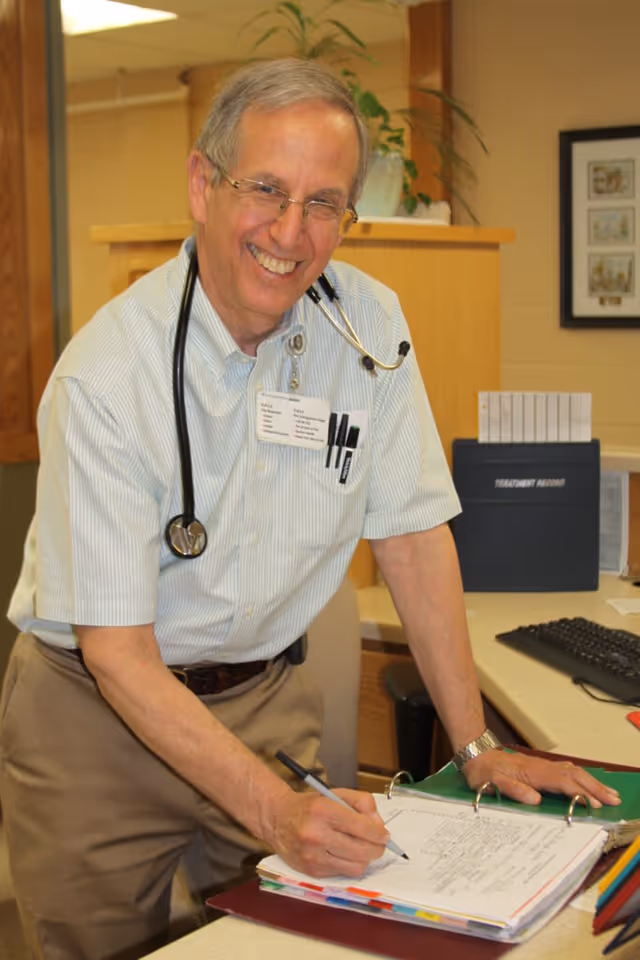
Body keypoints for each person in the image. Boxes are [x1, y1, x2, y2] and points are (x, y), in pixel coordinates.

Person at [0, 58, 619, 960]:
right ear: (202, 184)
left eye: (324, 202)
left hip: (265, 698)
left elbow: (413, 537)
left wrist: (476, 743)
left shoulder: (368, 330)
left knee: (307, 943)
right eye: (266, 190)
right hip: (95, 721)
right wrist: (273, 814)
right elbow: (121, 657)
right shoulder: (106, 380)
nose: (291, 232)